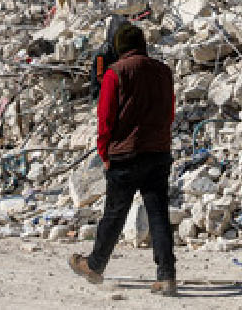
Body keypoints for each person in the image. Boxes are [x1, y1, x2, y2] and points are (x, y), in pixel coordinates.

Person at [69, 22, 177, 297]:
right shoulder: (163, 72)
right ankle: (166, 276)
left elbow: (104, 119)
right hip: (158, 153)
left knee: (115, 215)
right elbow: (170, 111)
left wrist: (104, 152)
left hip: (125, 155)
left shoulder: (114, 73)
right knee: (158, 216)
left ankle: (95, 265)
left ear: (119, 48)